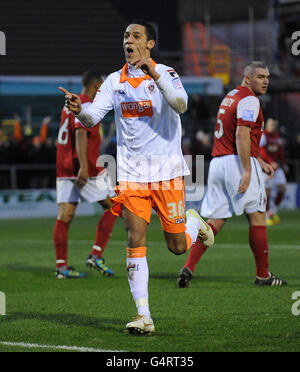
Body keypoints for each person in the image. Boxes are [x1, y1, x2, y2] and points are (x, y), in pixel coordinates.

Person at [59, 19, 214, 334]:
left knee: (176, 247)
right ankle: (144, 315)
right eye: (126, 36)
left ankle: (194, 223)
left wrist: (153, 73)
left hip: (168, 173)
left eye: (136, 35)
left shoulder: (167, 73)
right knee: (134, 237)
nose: (128, 40)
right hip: (131, 175)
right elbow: (92, 117)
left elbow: (181, 104)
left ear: (149, 44)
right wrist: (78, 109)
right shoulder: (114, 81)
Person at [177, 61, 287, 289]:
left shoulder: (231, 96)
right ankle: (263, 275)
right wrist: (248, 169)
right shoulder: (249, 99)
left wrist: (259, 160)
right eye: (259, 77)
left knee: (215, 221)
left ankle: (189, 266)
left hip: (218, 163)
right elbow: (241, 135)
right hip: (236, 164)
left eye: (267, 76)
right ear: (247, 78)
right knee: (257, 216)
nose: (265, 81)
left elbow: (234, 135)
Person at [54, 70, 117, 279]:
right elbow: (80, 133)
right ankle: (96, 255)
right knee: (113, 207)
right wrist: (83, 166)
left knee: (65, 216)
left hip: (64, 166)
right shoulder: (86, 105)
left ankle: (61, 267)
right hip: (85, 167)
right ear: (97, 85)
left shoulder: (69, 103)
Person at [260, 118, 289, 225]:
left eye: (274, 124)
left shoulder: (276, 135)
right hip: (266, 167)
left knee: (283, 188)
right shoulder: (263, 135)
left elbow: (280, 151)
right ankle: (267, 215)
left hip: (277, 167)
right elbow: (261, 151)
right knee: (267, 192)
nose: (273, 126)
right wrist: (270, 162)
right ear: (267, 124)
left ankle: (273, 211)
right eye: (271, 124)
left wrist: (284, 163)